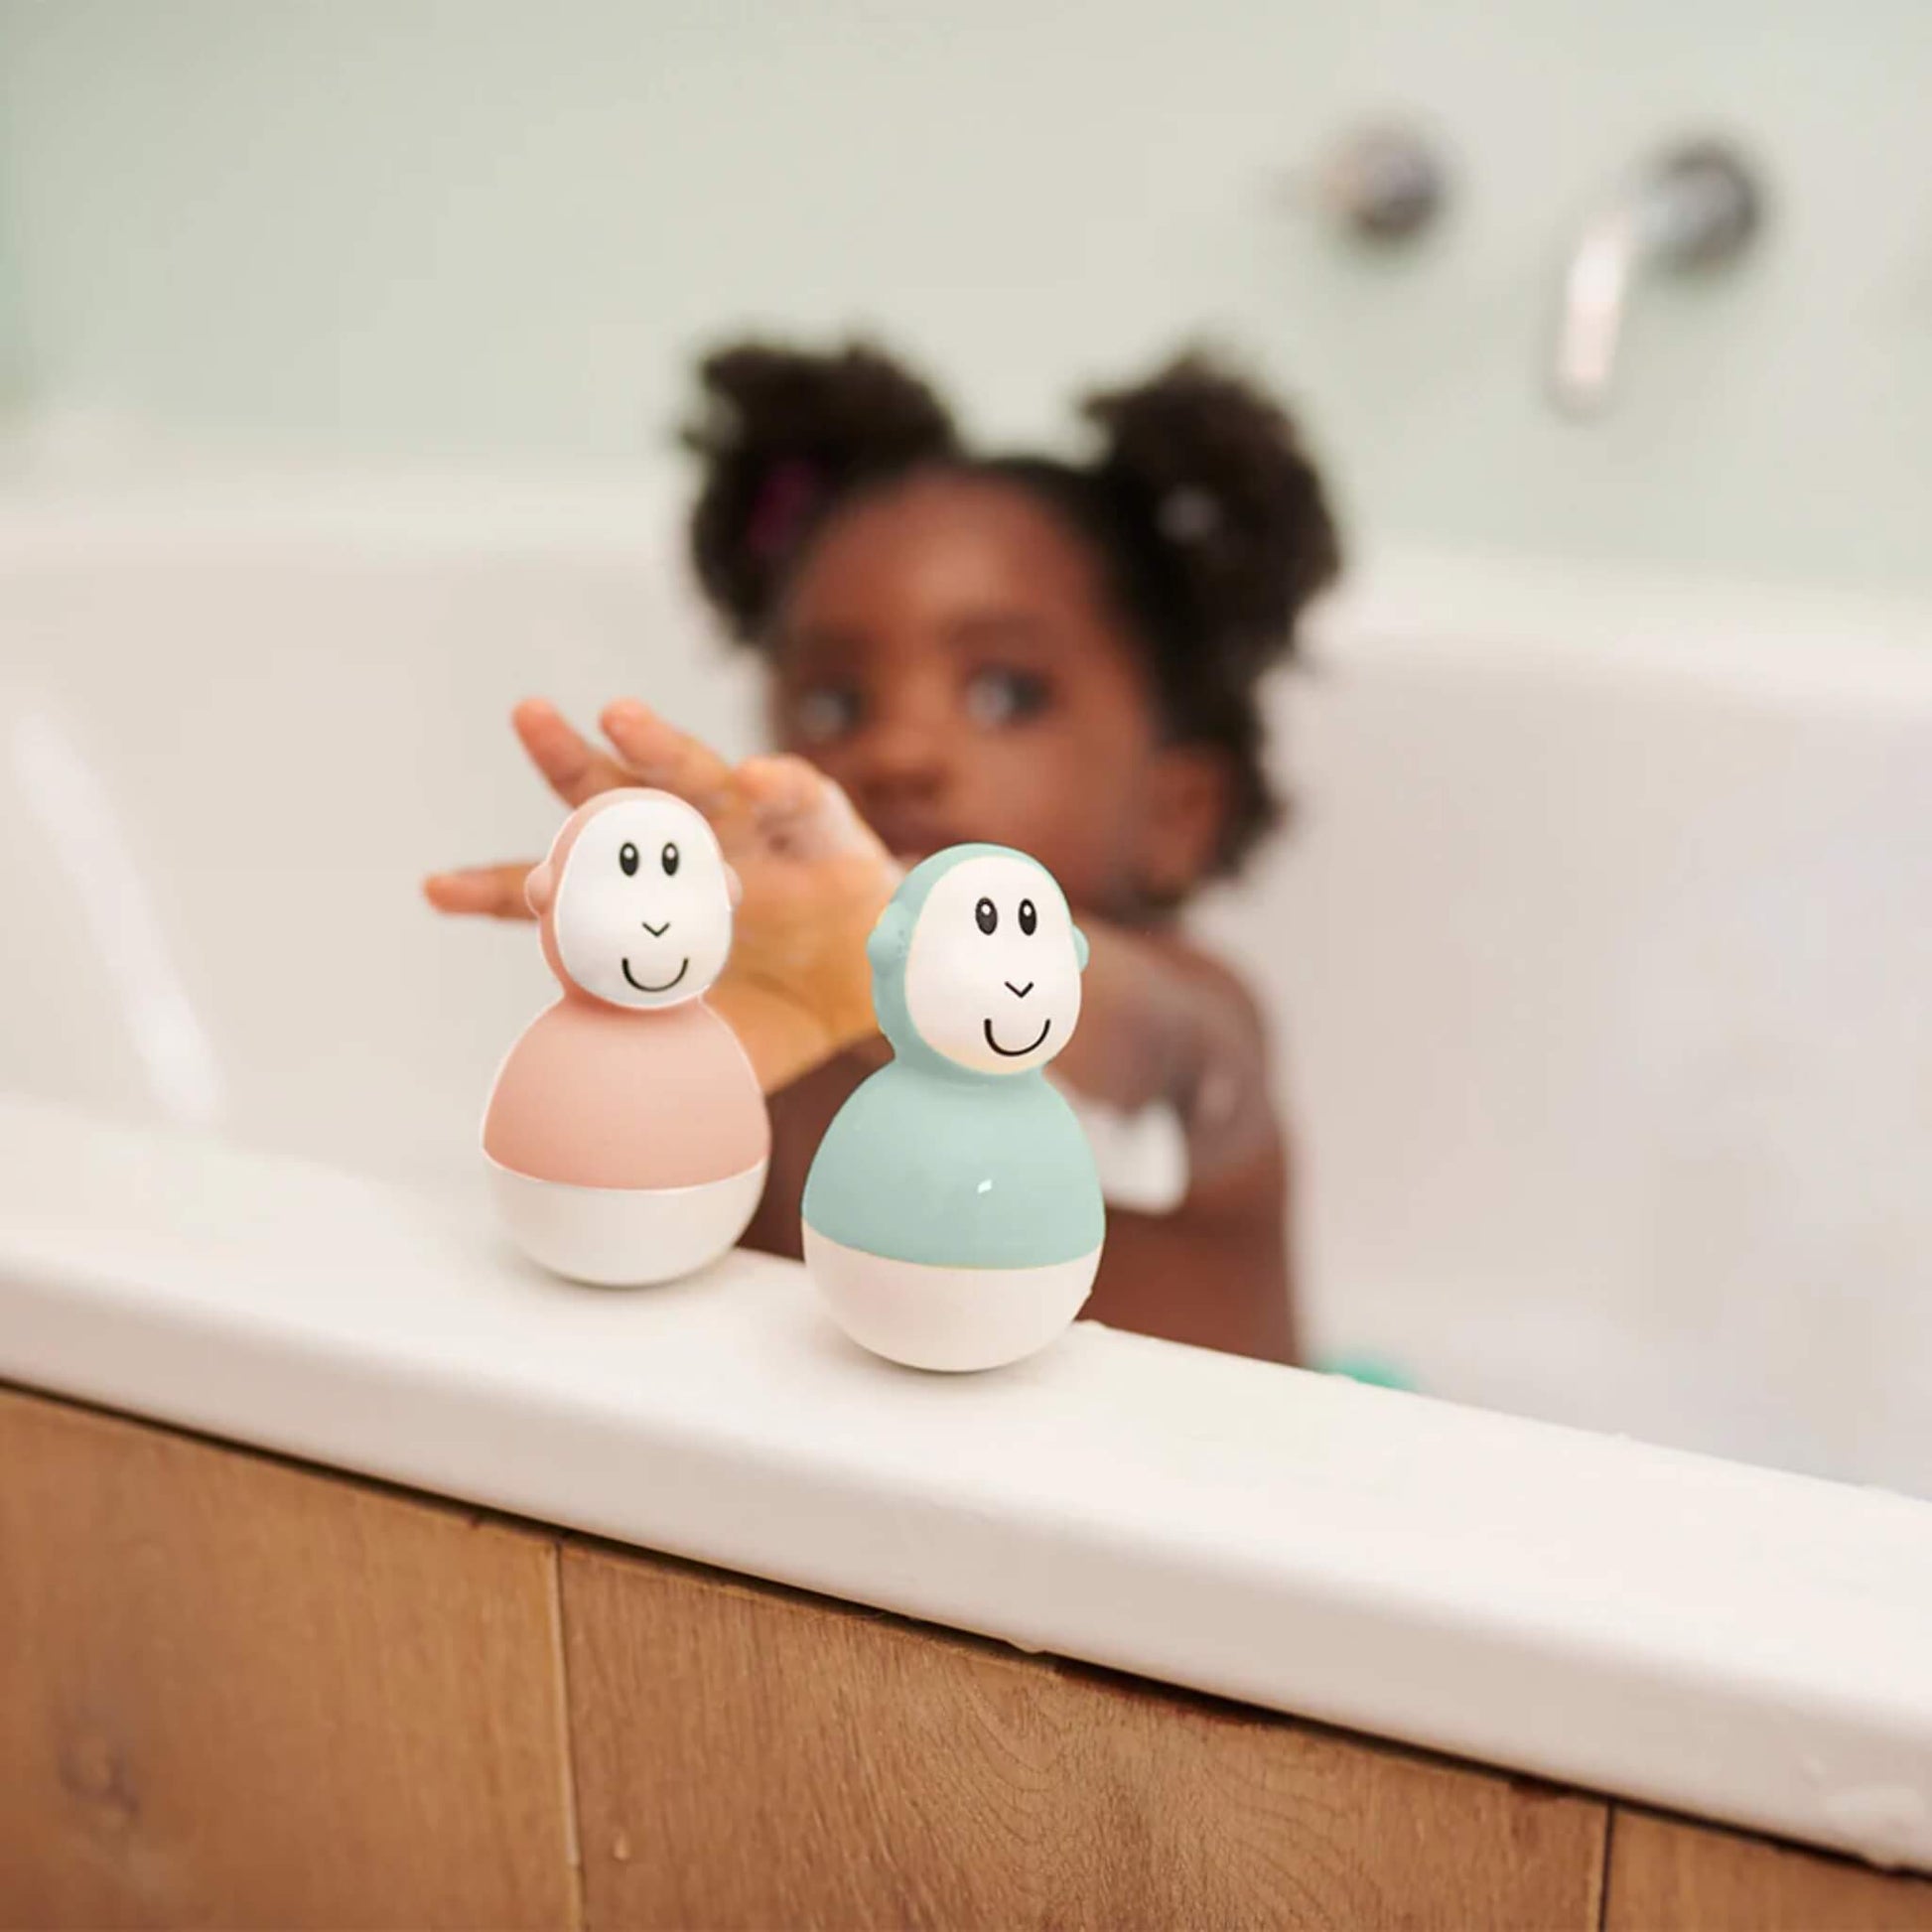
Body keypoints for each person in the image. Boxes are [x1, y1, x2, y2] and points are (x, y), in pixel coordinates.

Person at [426, 341, 1340, 1363]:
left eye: (1004, 693)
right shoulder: (779, 1028)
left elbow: (1163, 1059)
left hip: (1206, 1491)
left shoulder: (1192, 1015)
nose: (895, 750)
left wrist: (895, 945)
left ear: (1176, 811)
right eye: (833, 700)